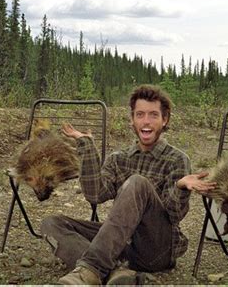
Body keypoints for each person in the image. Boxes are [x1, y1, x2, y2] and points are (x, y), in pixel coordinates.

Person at [41, 84, 216, 285]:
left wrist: (180, 188)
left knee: (137, 183)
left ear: (164, 119)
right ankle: (117, 272)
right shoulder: (118, 159)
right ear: (132, 120)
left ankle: (90, 271)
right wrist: (86, 146)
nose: (146, 121)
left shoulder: (177, 159)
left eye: (153, 115)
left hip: (155, 250)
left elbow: (173, 216)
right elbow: (95, 195)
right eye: (140, 114)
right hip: (119, 242)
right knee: (51, 223)